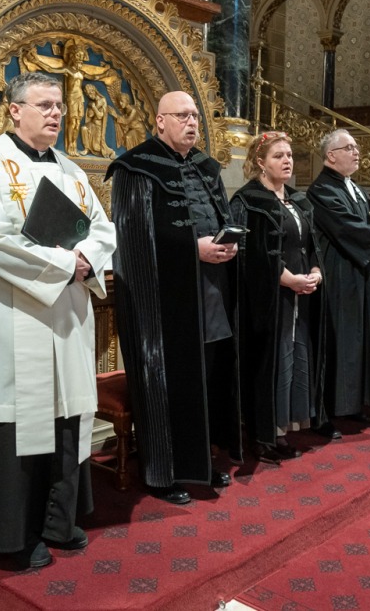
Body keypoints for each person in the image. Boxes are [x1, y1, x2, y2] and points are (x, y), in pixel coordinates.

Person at [0, 71, 117, 568]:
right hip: (12, 317)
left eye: (60, 106)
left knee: (65, 417)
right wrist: (68, 263)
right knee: (18, 419)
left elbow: (102, 228)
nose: (56, 114)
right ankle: (9, 540)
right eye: (45, 105)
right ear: (14, 110)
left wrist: (86, 257)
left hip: (64, 317)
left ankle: (56, 522)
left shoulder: (71, 170)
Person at [106, 91, 243, 505]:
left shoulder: (204, 165)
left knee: (205, 379)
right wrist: (191, 248)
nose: (192, 122)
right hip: (162, 301)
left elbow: (221, 216)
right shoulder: (136, 167)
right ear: (160, 121)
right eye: (182, 115)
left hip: (211, 290)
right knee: (166, 384)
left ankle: (198, 461)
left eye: (195, 116)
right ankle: (162, 473)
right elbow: (133, 240)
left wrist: (230, 241)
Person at [230, 131, 329, 463]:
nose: (287, 161)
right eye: (278, 156)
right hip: (268, 300)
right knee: (272, 362)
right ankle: (263, 435)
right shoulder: (248, 201)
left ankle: (283, 428)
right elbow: (245, 253)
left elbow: (310, 244)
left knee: (296, 357)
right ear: (260, 162)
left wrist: (315, 270)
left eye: (289, 155)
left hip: (301, 295)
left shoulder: (298, 200)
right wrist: (285, 278)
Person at [307, 129, 370, 426]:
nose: (356, 152)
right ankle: (333, 408)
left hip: (364, 270)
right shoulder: (321, 190)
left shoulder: (355, 188)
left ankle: (356, 401)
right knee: (345, 338)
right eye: (349, 148)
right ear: (331, 156)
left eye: (356, 147)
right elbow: (344, 227)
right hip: (341, 273)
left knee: (364, 336)